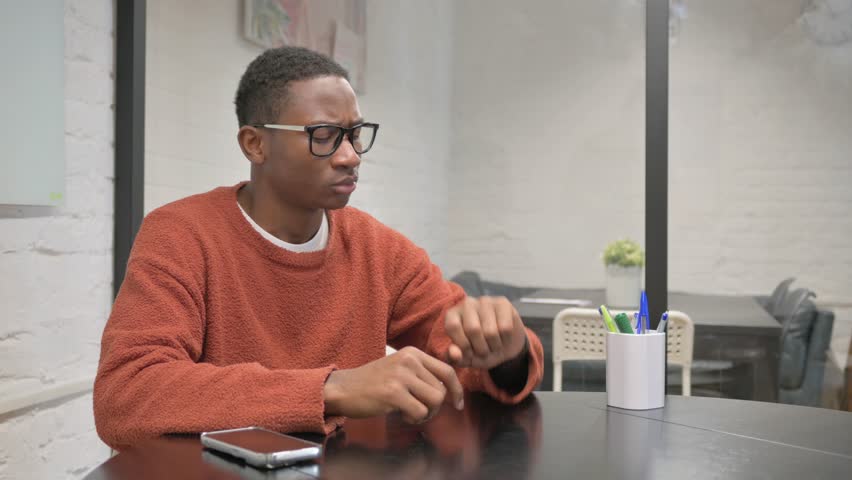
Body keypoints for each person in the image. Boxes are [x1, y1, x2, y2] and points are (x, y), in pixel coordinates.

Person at [93, 46, 543, 450]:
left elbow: (465, 360)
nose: (350, 155)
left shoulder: (376, 247)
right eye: (324, 135)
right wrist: (331, 388)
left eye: (355, 133)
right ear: (255, 144)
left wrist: (507, 351)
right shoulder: (181, 234)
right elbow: (127, 395)